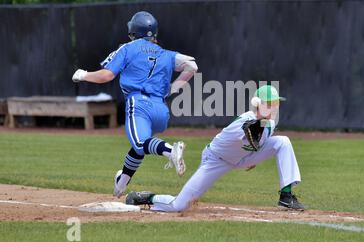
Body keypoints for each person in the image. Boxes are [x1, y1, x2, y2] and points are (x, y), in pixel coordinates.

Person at [71, 11, 198, 197]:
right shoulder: (166, 53)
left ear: (133, 31)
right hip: (161, 110)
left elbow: (106, 75)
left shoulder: (127, 48)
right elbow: (192, 66)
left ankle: (171, 150)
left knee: (140, 143)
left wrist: (83, 75)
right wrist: (173, 88)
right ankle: (121, 184)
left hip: (139, 104)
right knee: (141, 146)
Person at [126, 85, 305, 211]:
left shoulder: (270, 123)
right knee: (179, 205)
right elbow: (248, 131)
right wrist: (254, 147)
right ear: (257, 103)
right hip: (216, 160)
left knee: (283, 142)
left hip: (241, 158)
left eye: (276, 103)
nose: (274, 107)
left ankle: (286, 196)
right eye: (269, 103)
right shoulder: (246, 120)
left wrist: (255, 156)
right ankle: (146, 198)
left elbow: (260, 139)